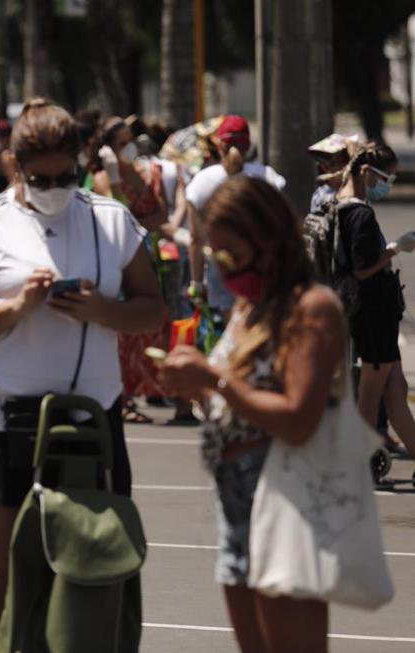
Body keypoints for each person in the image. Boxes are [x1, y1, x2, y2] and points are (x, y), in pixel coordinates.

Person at [0, 98, 164, 653]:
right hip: (9, 415)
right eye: (42, 177)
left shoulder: (111, 220)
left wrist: (103, 311)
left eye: (69, 174)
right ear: (15, 165)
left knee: (93, 555)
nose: (57, 185)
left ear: (83, 161)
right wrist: (13, 307)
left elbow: (154, 308)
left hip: (92, 416)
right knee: (0, 561)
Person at [161, 176, 345, 652]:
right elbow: (238, 399)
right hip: (236, 500)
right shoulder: (248, 308)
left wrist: (215, 379)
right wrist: (198, 387)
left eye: (230, 254)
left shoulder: (311, 309)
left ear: (268, 240)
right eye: (216, 255)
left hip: (286, 501)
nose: (222, 268)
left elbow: (297, 419)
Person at [333, 143, 415, 455]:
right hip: (372, 314)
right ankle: (359, 461)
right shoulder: (360, 214)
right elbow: (363, 269)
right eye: (385, 178)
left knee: (396, 391)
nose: (386, 185)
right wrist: (396, 248)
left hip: (368, 314)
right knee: (371, 393)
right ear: (366, 172)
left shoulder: (340, 205)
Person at [94, 116, 172, 424]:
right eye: (122, 143)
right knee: (125, 335)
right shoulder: (103, 177)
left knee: (158, 326)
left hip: (153, 257)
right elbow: (116, 212)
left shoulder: (150, 172)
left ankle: (157, 390)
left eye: (131, 140)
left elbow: (162, 213)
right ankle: (123, 398)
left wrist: (138, 225)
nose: (130, 148)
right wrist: (114, 175)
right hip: (122, 260)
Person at [184, 115, 285, 319]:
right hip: (262, 266)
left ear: (219, 145)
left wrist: (196, 283)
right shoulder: (269, 178)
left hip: (221, 268)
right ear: (248, 145)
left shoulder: (202, 181)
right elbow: (282, 229)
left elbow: (195, 238)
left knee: (231, 337)